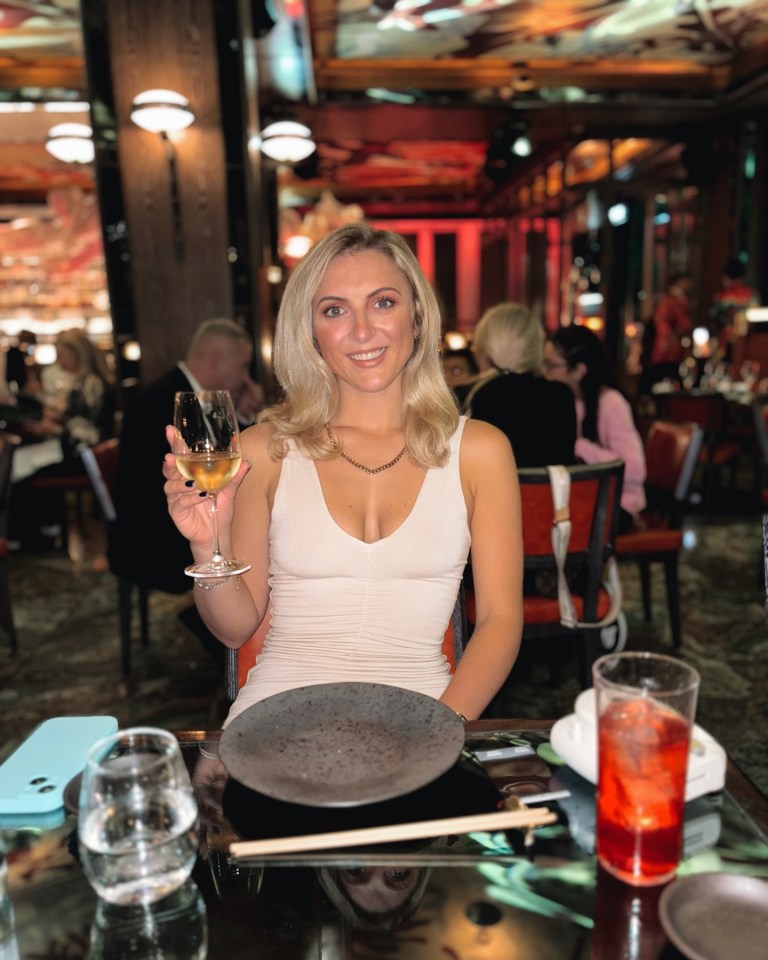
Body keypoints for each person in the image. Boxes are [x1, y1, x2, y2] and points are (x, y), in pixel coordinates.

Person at [163, 224, 523, 724]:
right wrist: (208, 548)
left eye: (383, 303)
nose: (361, 331)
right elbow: (235, 628)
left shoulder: (481, 451)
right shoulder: (262, 449)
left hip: (427, 715)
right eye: (334, 310)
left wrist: (440, 732)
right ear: (310, 332)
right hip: (277, 716)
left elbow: (501, 622)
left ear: (417, 316)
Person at [109, 318, 255, 600]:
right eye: (242, 366)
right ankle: (224, 626)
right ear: (216, 359)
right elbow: (187, 483)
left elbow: (223, 454)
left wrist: (245, 418)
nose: (245, 378)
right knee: (261, 546)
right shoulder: (159, 402)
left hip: (182, 522)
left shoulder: (205, 399)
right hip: (154, 542)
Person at [8, 329, 117, 544]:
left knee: (18, 465)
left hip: (83, 455)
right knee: (20, 460)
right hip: (77, 450)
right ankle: (41, 527)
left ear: (77, 354)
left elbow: (89, 432)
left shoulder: (91, 384)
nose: (59, 361)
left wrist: (53, 429)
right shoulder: (85, 381)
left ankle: (28, 533)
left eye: (62, 355)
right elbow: (78, 419)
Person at [543, 324, 646, 531]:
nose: (545, 374)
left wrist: (576, 444)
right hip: (585, 498)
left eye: (551, 366)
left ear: (579, 370)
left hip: (617, 506)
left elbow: (635, 470)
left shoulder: (610, 402)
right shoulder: (567, 401)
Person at [463, 303, 576, 467]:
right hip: (548, 493)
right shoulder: (561, 395)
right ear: (536, 346)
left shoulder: (469, 396)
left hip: (490, 492)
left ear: (484, 347)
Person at [642, 272, 693, 391]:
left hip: (662, 344)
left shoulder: (666, 300)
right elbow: (684, 324)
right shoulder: (676, 301)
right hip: (669, 346)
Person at [709, 258, 758, 362]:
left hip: (725, 341)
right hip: (748, 341)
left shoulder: (721, 297)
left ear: (726, 277)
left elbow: (713, 319)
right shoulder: (752, 295)